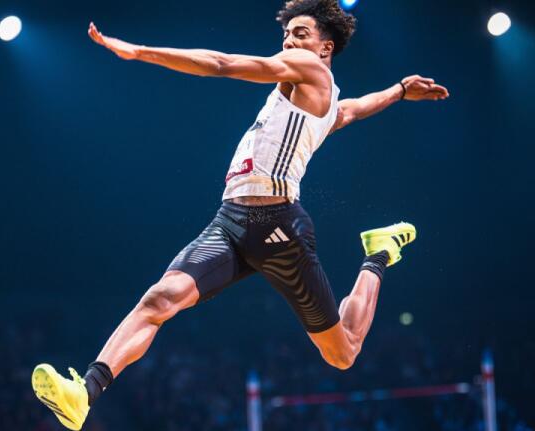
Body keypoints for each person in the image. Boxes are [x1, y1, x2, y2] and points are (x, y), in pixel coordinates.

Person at [31, 1, 449, 429]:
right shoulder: (313, 99)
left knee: (342, 352)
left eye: (301, 34)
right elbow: (352, 110)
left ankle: (378, 254)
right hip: (229, 222)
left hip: (279, 226)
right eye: (286, 34)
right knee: (160, 299)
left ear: (325, 48)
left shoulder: (311, 70)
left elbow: (222, 63)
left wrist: (140, 51)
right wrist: (399, 90)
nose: (289, 41)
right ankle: (85, 392)